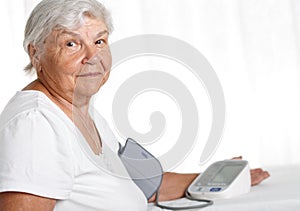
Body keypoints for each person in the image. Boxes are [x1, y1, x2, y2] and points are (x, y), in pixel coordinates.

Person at [0, 0, 270, 210]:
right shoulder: (35, 124)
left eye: (99, 41)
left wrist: (213, 177)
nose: (93, 56)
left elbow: (141, 186)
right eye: (71, 43)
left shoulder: (82, 112)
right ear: (35, 53)